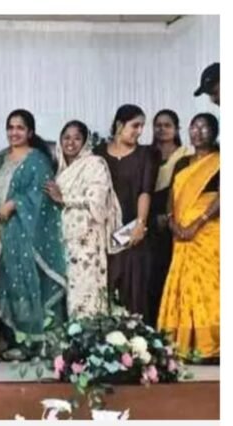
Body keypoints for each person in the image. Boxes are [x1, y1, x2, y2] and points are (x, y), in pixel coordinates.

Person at [0, 109, 66, 361]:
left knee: (26, 282)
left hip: (26, 233)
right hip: (2, 232)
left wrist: (14, 204)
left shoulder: (38, 161)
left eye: (20, 128)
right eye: (10, 127)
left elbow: (42, 196)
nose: (14, 132)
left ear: (30, 132)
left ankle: (34, 344)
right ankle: (15, 341)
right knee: (7, 282)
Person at [44, 120, 123, 317]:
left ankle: (89, 333)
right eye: (66, 138)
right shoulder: (60, 170)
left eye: (77, 138)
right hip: (64, 239)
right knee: (66, 292)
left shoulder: (95, 164)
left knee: (86, 291)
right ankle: (70, 334)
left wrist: (64, 198)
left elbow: (97, 203)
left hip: (87, 241)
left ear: (85, 141)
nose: (70, 143)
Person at [158, 113, 220, 362]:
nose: (198, 132)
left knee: (210, 287)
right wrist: (173, 223)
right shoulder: (182, 163)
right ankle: (186, 345)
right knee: (184, 288)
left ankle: (213, 345)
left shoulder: (221, 161)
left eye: (204, 127)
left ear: (214, 132)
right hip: (181, 234)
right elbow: (172, 197)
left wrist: (198, 222)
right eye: (194, 127)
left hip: (209, 235)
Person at [94, 104, 157, 324]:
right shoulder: (98, 153)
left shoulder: (145, 155)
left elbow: (145, 191)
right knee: (106, 281)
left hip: (131, 229)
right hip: (103, 229)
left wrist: (140, 223)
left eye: (142, 126)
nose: (139, 131)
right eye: (135, 126)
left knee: (133, 284)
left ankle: (135, 336)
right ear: (120, 125)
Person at [148, 110, 189, 318]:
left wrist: (170, 215)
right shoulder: (147, 155)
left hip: (173, 220)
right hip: (147, 219)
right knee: (148, 274)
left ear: (177, 129)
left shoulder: (186, 156)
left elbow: (185, 190)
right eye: (158, 125)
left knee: (168, 271)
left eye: (167, 125)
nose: (162, 129)